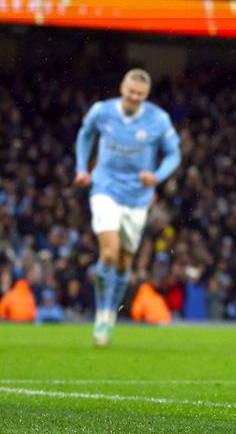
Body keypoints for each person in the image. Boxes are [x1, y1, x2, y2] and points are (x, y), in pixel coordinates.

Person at [74, 68, 181, 347]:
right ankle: (102, 314)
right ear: (122, 87)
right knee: (108, 254)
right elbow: (85, 135)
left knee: (124, 262)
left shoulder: (158, 119)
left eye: (140, 94)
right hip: (105, 189)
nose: (134, 97)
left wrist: (157, 175)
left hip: (137, 198)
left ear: (146, 95)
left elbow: (174, 153)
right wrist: (81, 168)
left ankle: (111, 313)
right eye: (130, 91)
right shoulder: (102, 111)